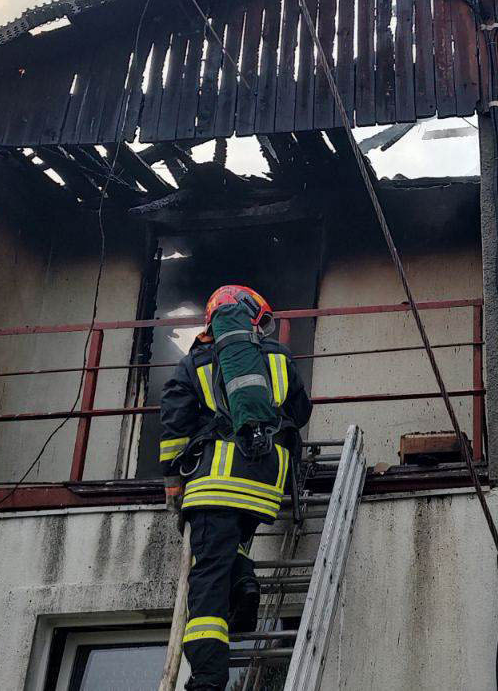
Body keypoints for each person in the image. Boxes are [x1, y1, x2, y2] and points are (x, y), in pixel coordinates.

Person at [159, 284, 312, 691]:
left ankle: (207, 679)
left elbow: (175, 421)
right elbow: (300, 410)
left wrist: (173, 482)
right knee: (234, 544)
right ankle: (244, 590)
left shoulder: (196, 362)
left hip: (215, 484)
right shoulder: (278, 357)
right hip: (264, 485)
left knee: (206, 580)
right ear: (254, 319)